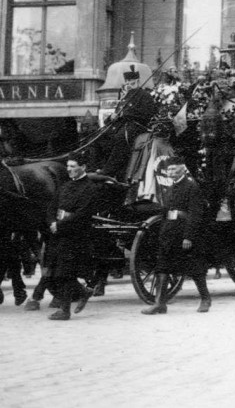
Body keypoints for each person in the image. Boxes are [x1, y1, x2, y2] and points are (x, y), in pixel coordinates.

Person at [142, 156, 212, 314]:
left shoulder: (191, 186)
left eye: (174, 169)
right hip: (169, 233)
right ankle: (160, 303)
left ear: (182, 168)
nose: (170, 172)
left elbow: (195, 214)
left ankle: (205, 298)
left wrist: (189, 236)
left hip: (184, 233)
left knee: (195, 268)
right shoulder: (170, 188)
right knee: (162, 268)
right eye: (168, 169)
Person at [42, 154, 97, 320]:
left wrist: (60, 225)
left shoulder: (90, 188)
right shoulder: (64, 186)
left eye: (73, 166)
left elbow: (83, 213)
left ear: (84, 167)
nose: (69, 170)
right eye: (68, 167)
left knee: (64, 273)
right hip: (58, 233)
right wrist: (52, 222)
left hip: (76, 235)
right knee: (54, 272)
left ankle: (64, 311)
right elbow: (52, 206)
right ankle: (83, 291)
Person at [96, 66, 157, 182]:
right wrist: (111, 117)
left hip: (136, 125)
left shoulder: (145, 96)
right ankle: (98, 165)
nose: (129, 83)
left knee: (121, 137)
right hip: (120, 125)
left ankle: (110, 169)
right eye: (127, 81)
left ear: (138, 81)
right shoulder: (125, 97)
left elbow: (147, 114)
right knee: (100, 136)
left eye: (132, 81)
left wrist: (125, 114)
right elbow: (116, 114)